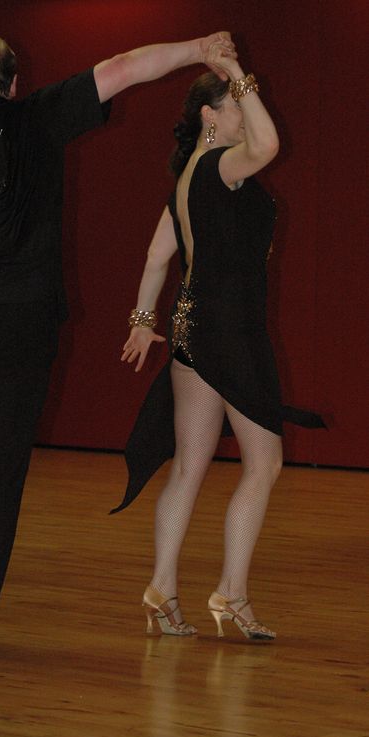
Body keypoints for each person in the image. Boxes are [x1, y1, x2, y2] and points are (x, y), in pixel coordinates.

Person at [0, 31, 237, 655]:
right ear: (14, 83)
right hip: (15, 325)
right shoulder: (35, 120)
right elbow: (124, 68)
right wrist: (199, 48)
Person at [113, 41, 325, 641]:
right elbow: (269, 145)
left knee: (190, 466)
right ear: (210, 115)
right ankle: (231, 593)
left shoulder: (188, 179)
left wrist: (142, 319)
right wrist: (235, 72)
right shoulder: (220, 167)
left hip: (191, 327)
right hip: (231, 331)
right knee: (264, 462)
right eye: (235, 104)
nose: (245, 112)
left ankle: (162, 589)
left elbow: (157, 254)